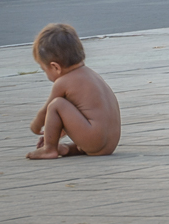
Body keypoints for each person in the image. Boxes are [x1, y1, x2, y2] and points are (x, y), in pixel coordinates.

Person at [26, 23, 121, 159]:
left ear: (55, 67)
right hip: (110, 144)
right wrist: (58, 129)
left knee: (56, 104)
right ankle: (67, 149)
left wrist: (35, 126)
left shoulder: (63, 82)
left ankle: (49, 149)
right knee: (64, 107)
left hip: (94, 140)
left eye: (44, 69)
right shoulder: (92, 76)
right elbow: (85, 111)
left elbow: (46, 111)